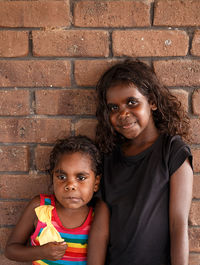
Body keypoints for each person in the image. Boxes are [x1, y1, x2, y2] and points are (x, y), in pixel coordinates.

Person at [94, 59, 193, 265]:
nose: (123, 113)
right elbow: (101, 231)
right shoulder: (109, 159)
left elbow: (178, 224)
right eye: (113, 107)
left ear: (153, 102)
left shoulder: (172, 151)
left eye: (132, 102)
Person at [5, 135, 109, 265]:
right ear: (53, 178)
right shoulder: (40, 207)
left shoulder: (96, 216)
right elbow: (11, 250)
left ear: (96, 183)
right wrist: (41, 252)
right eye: (61, 176)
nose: (70, 185)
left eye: (81, 178)